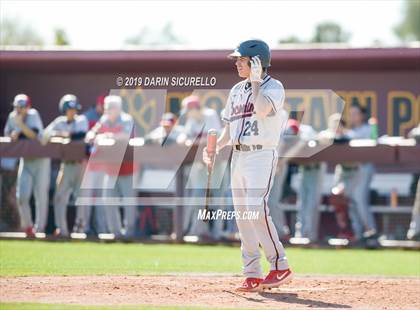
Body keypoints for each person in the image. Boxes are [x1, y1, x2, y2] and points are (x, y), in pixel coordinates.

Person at [203, 39, 292, 292]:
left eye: (242, 60)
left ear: (257, 62)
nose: (237, 64)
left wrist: (255, 80)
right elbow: (230, 130)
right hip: (239, 156)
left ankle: (280, 266)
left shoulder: (274, 86)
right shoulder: (235, 90)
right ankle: (252, 273)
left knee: (256, 208)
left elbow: (262, 110)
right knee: (243, 216)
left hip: (261, 154)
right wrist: (215, 148)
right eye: (239, 60)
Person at [85, 95, 138, 239]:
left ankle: (129, 232)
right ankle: (115, 232)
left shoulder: (126, 119)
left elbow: (125, 136)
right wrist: (92, 135)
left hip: (127, 168)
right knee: (108, 200)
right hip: (110, 169)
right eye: (106, 108)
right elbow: (92, 133)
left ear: (118, 108)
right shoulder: (104, 120)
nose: (107, 110)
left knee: (128, 202)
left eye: (110, 108)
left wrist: (107, 136)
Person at [3, 94, 51, 237]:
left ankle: (40, 228)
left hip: (41, 159)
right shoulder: (13, 117)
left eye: (22, 107)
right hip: (26, 159)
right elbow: (8, 134)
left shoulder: (33, 114)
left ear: (28, 107)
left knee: (40, 195)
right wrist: (13, 134)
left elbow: (34, 135)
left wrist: (20, 127)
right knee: (22, 195)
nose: (19, 109)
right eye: (17, 107)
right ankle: (28, 226)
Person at [43, 94, 88, 237]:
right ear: (64, 109)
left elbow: (81, 135)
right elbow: (45, 135)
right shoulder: (59, 122)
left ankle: (80, 229)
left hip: (80, 165)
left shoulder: (81, 120)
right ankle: (61, 229)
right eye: (70, 109)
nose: (73, 112)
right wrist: (62, 135)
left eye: (75, 109)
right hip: (66, 165)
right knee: (59, 197)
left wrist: (64, 135)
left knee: (80, 198)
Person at [182, 95, 224, 241]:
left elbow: (215, 136)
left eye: (189, 110)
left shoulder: (210, 115)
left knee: (218, 198)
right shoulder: (192, 120)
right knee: (199, 197)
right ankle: (200, 231)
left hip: (218, 162)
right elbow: (185, 137)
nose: (188, 113)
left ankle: (217, 232)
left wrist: (196, 141)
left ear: (195, 108)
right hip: (200, 164)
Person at [77, 95, 108, 235]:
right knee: (86, 197)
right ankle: (84, 228)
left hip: (102, 163)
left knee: (102, 197)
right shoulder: (86, 117)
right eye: (103, 106)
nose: (104, 109)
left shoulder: (108, 119)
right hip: (88, 162)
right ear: (98, 104)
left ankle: (102, 228)